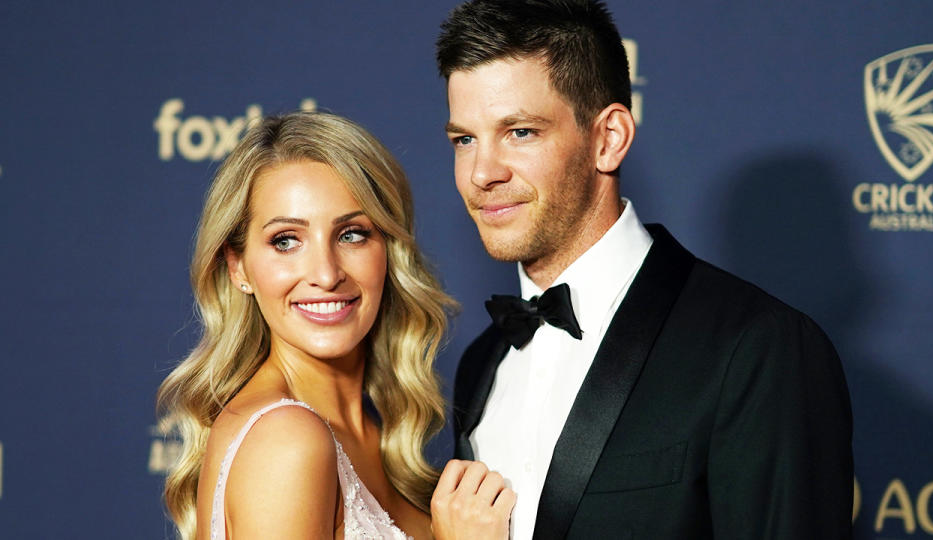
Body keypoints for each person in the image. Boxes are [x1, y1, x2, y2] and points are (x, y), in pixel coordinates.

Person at [433, 1, 854, 538]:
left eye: (520, 132)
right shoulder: (482, 360)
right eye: (464, 139)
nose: (481, 173)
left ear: (607, 138)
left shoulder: (757, 348)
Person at [156, 112, 513, 539]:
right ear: (238, 268)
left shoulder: (367, 430)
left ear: (388, 250)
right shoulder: (287, 441)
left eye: (351, 234)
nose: (326, 275)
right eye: (285, 241)